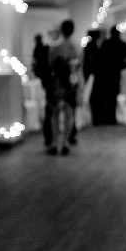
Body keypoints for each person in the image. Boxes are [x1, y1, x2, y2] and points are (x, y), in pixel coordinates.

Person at [46, 20, 80, 155]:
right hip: (71, 83)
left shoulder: (55, 47)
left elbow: (49, 64)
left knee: (54, 112)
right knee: (69, 113)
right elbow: (79, 69)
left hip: (57, 83)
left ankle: (55, 142)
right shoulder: (77, 48)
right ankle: (65, 142)